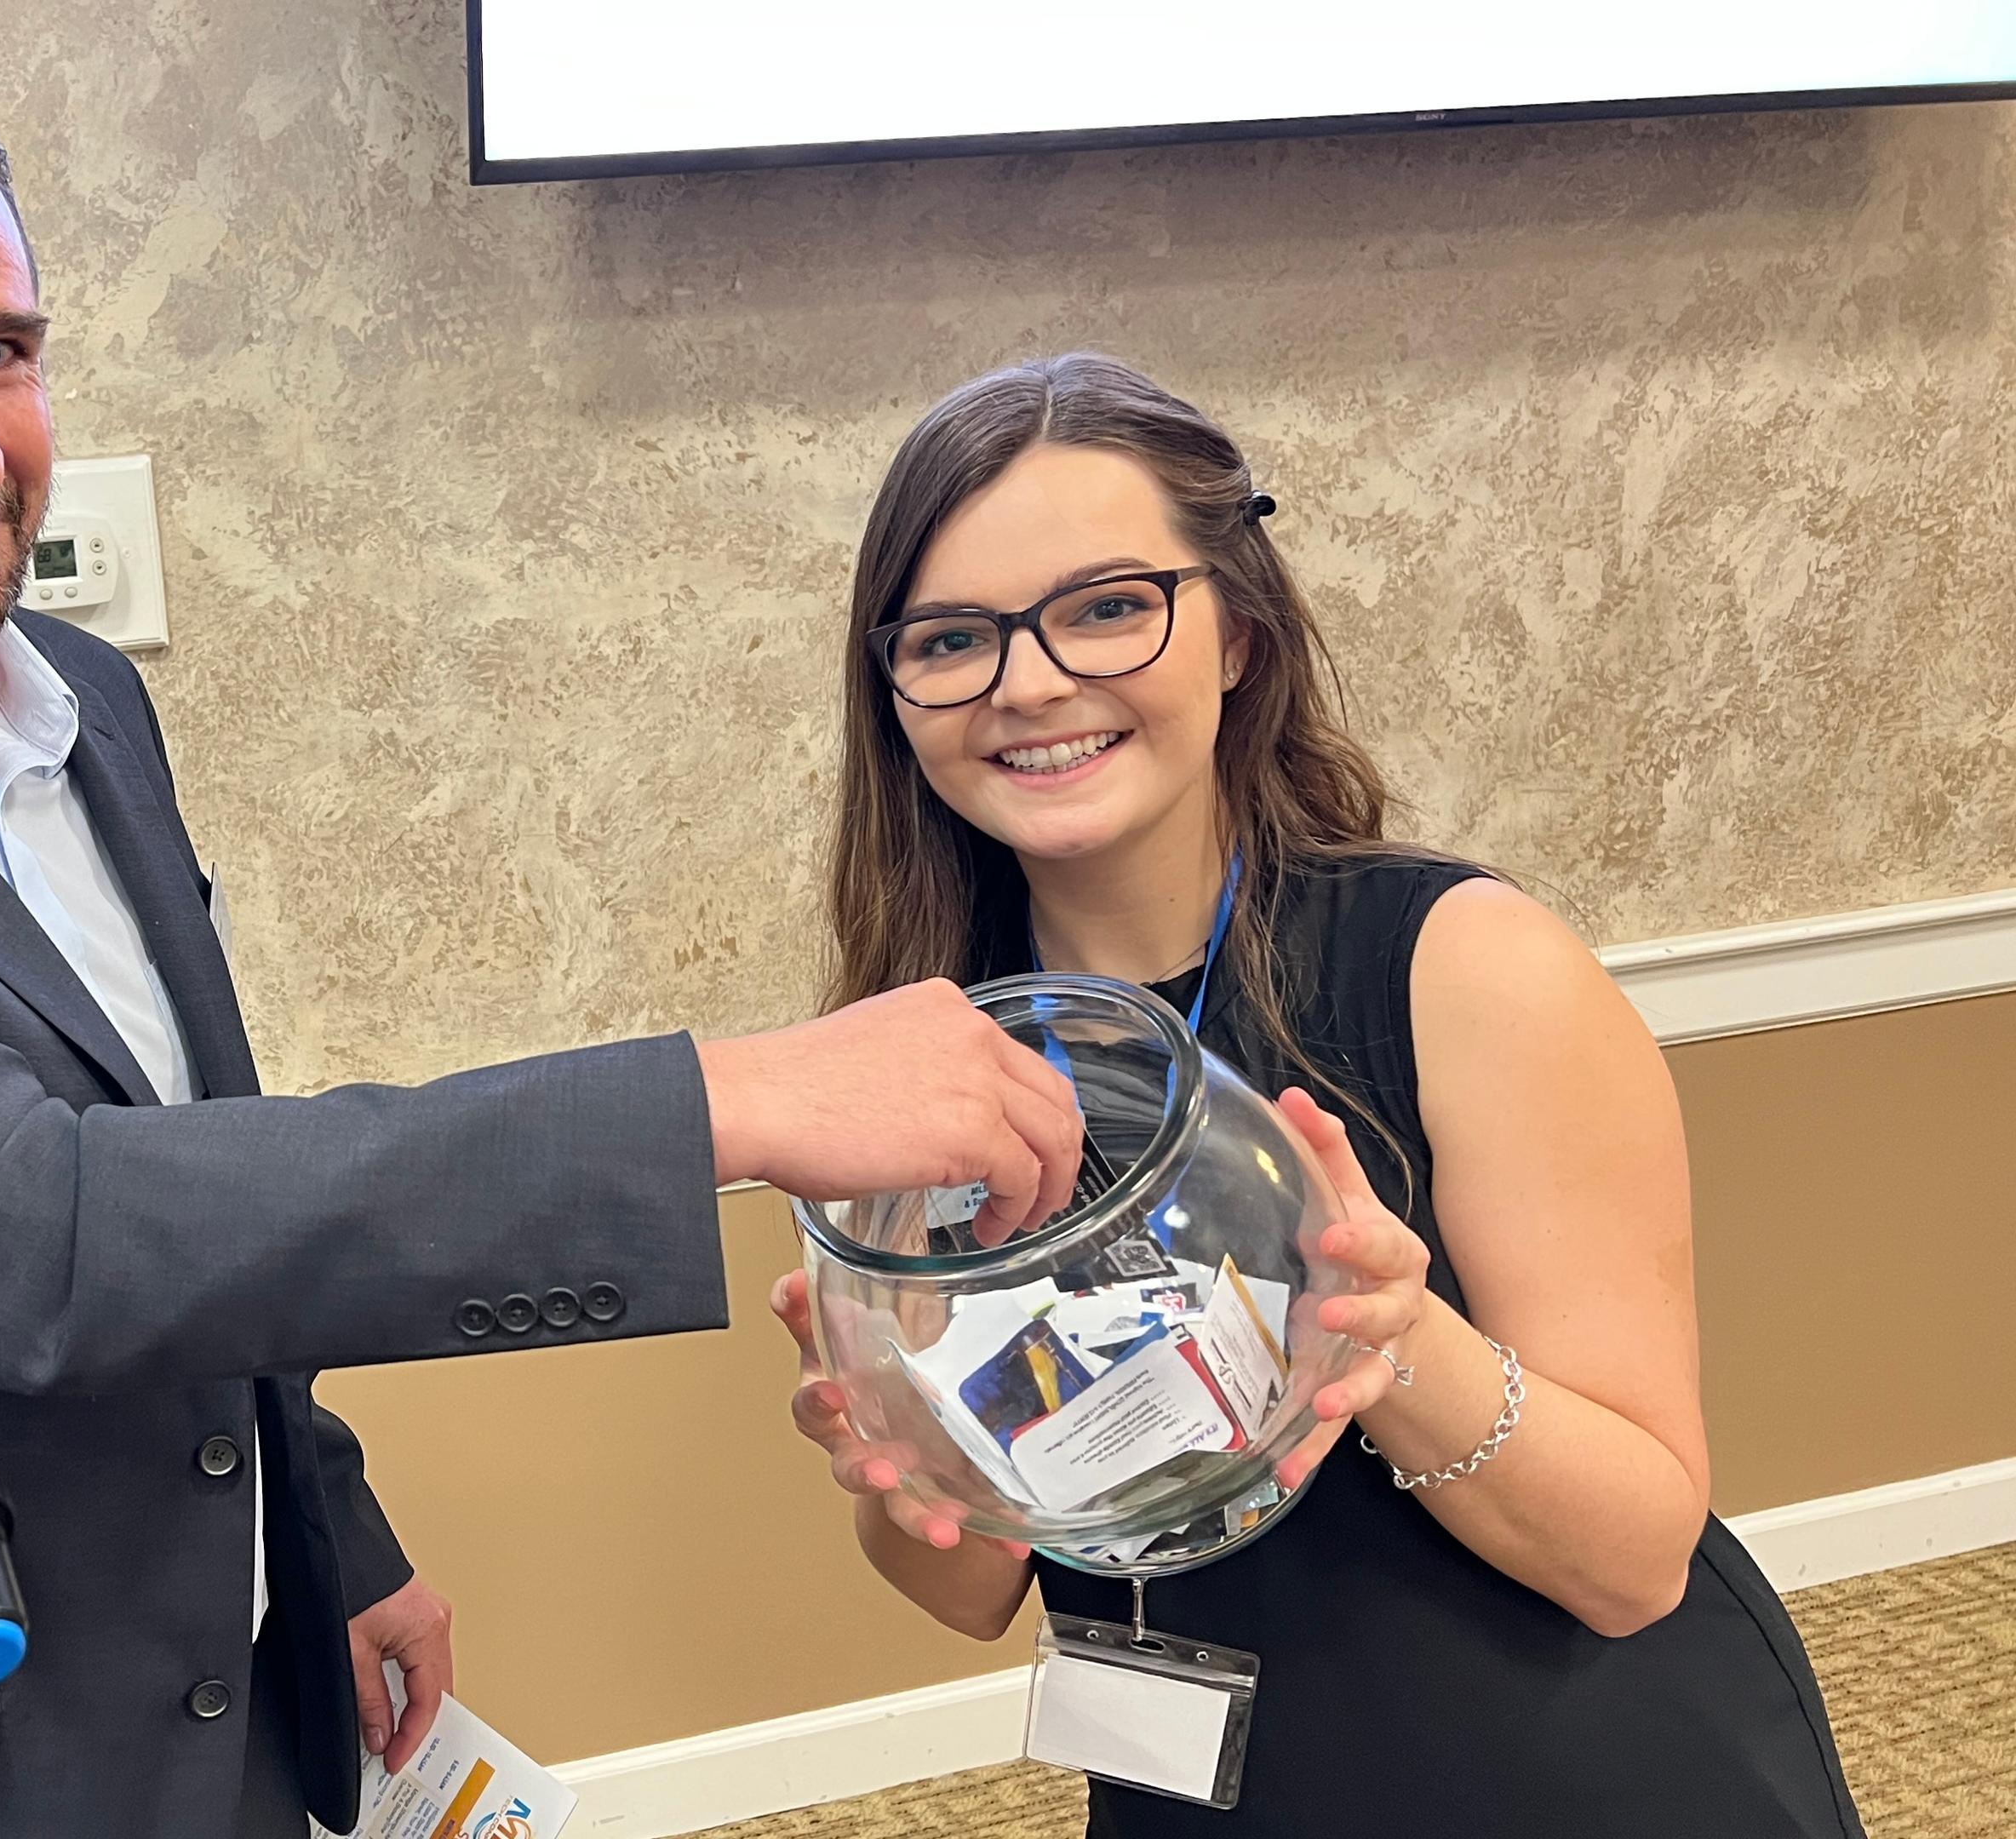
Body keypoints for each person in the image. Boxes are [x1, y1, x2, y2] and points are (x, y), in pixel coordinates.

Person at [0, 33, 1085, 1839]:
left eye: (2, 353)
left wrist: (331, 1536)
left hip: (211, 1724)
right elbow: (36, 1232)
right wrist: (729, 1100)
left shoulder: (75, 699)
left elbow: (191, 1158)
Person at [773, 354, 1864, 1836]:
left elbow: (1634, 1563)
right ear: (895, 691)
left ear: (1237, 633)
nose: (1029, 684)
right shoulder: (915, 1059)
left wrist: (1393, 1341)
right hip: (1202, 1783)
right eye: (954, 638)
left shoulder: (1466, 967)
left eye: (1107, 607)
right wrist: (902, 1455)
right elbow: (962, 1593)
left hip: (1569, 1775)